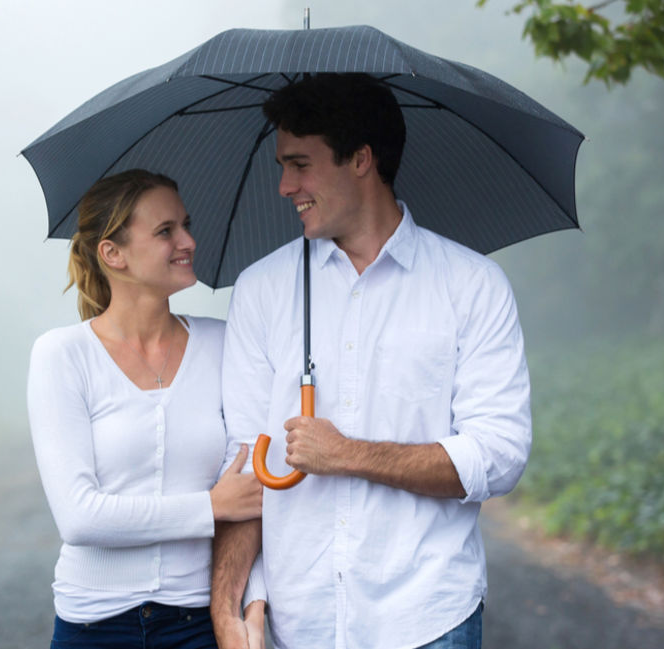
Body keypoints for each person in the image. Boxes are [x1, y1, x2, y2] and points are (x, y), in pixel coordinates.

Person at [210, 73, 533, 649]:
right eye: (282, 165)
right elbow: (244, 468)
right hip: (295, 622)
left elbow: (499, 455)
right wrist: (232, 607)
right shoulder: (261, 290)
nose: (285, 186)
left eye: (300, 163)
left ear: (360, 159)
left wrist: (347, 454)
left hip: (427, 617)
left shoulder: (473, 285)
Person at [28, 169, 267, 649]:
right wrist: (208, 507)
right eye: (166, 231)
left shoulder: (223, 344)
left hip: (198, 627)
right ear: (112, 254)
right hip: (93, 629)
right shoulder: (62, 355)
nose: (188, 241)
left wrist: (252, 609)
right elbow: (79, 518)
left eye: (185, 225)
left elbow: (251, 499)